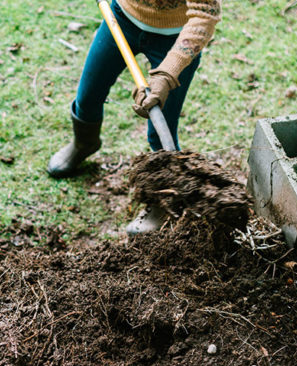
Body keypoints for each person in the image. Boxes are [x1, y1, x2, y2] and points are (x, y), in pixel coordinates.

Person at [47, 0, 221, 234]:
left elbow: (205, 15)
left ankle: (163, 198)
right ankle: (84, 143)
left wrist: (168, 73)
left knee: (161, 131)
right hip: (122, 18)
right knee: (88, 97)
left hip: (175, 39)